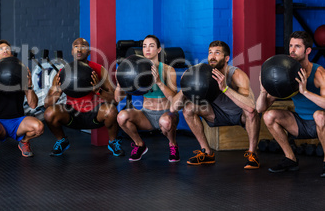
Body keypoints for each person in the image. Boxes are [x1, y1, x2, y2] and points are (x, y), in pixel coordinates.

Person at [171, 40, 260, 169]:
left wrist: (225, 89)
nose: (212, 57)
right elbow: (173, 108)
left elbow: (251, 106)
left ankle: (253, 154)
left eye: (217, 53)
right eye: (210, 53)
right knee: (188, 108)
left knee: (251, 112)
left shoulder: (236, 75)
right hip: (216, 114)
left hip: (239, 115)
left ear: (226, 58)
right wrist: (185, 86)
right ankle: (207, 152)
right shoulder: (201, 73)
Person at [257, 31, 325, 177]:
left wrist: (305, 91)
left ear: (307, 51)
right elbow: (260, 109)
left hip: (321, 123)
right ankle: (290, 159)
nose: (292, 50)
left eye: (297, 46)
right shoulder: (286, 73)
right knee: (269, 116)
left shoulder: (318, 73)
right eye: (290, 46)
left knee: (319, 115)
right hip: (300, 124)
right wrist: (263, 91)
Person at [43, 38, 124, 157]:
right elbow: (47, 104)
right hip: (72, 114)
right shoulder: (62, 73)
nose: (79, 49)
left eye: (83, 46)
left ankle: (113, 142)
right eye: (76, 46)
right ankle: (61, 140)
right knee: (49, 113)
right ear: (72, 51)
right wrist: (59, 91)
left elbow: (114, 100)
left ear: (89, 52)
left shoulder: (100, 70)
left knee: (111, 111)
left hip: (95, 113)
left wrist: (98, 90)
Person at [115, 35, 180, 162]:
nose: (147, 49)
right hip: (147, 115)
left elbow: (174, 99)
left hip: (167, 113)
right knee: (121, 117)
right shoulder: (136, 69)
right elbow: (118, 99)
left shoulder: (168, 70)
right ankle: (139, 145)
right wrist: (119, 85)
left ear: (159, 50)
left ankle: (173, 145)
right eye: (144, 46)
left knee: (166, 121)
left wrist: (159, 82)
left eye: (151, 46)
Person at [0, 40, 44, 159]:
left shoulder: (21, 74)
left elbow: (33, 105)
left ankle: (24, 142)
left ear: (11, 54)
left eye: (7, 49)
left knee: (39, 127)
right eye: (1, 49)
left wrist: (29, 85)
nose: (5, 50)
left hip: (18, 122)